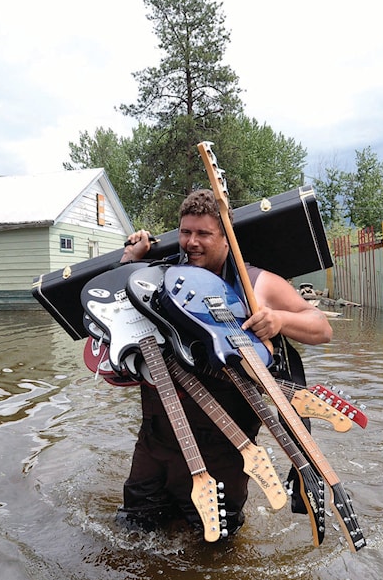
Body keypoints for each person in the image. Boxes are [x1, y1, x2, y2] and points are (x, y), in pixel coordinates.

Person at [115, 188, 332, 537]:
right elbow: (121, 313)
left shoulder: (256, 284)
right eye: (186, 232)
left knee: (216, 545)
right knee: (133, 531)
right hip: (159, 436)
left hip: (225, 443)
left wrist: (278, 320)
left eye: (204, 234)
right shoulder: (163, 276)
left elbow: (322, 328)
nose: (191, 242)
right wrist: (131, 258)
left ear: (227, 238)